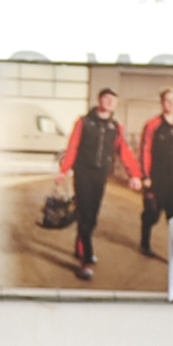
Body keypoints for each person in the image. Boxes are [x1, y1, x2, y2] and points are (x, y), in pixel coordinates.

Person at [58, 88, 127, 281]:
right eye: (105, 98)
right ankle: (86, 261)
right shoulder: (84, 122)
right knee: (85, 214)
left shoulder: (116, 127)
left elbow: (124, 151)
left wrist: (136, 175)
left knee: (93, 217)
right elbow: (73, 146)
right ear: (99, 100)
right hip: (83, 173)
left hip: (101, 175)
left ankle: (80, 244)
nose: (109, 102)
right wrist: (64, 171)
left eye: (113, 99)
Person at [134, 87, 173, 258]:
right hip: (157, 179)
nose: (170, 103)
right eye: (166, 100)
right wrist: (146, 176)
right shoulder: (152, 125)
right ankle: (145, 243)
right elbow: (145, 151)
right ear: (162, 103)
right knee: (152, 214)